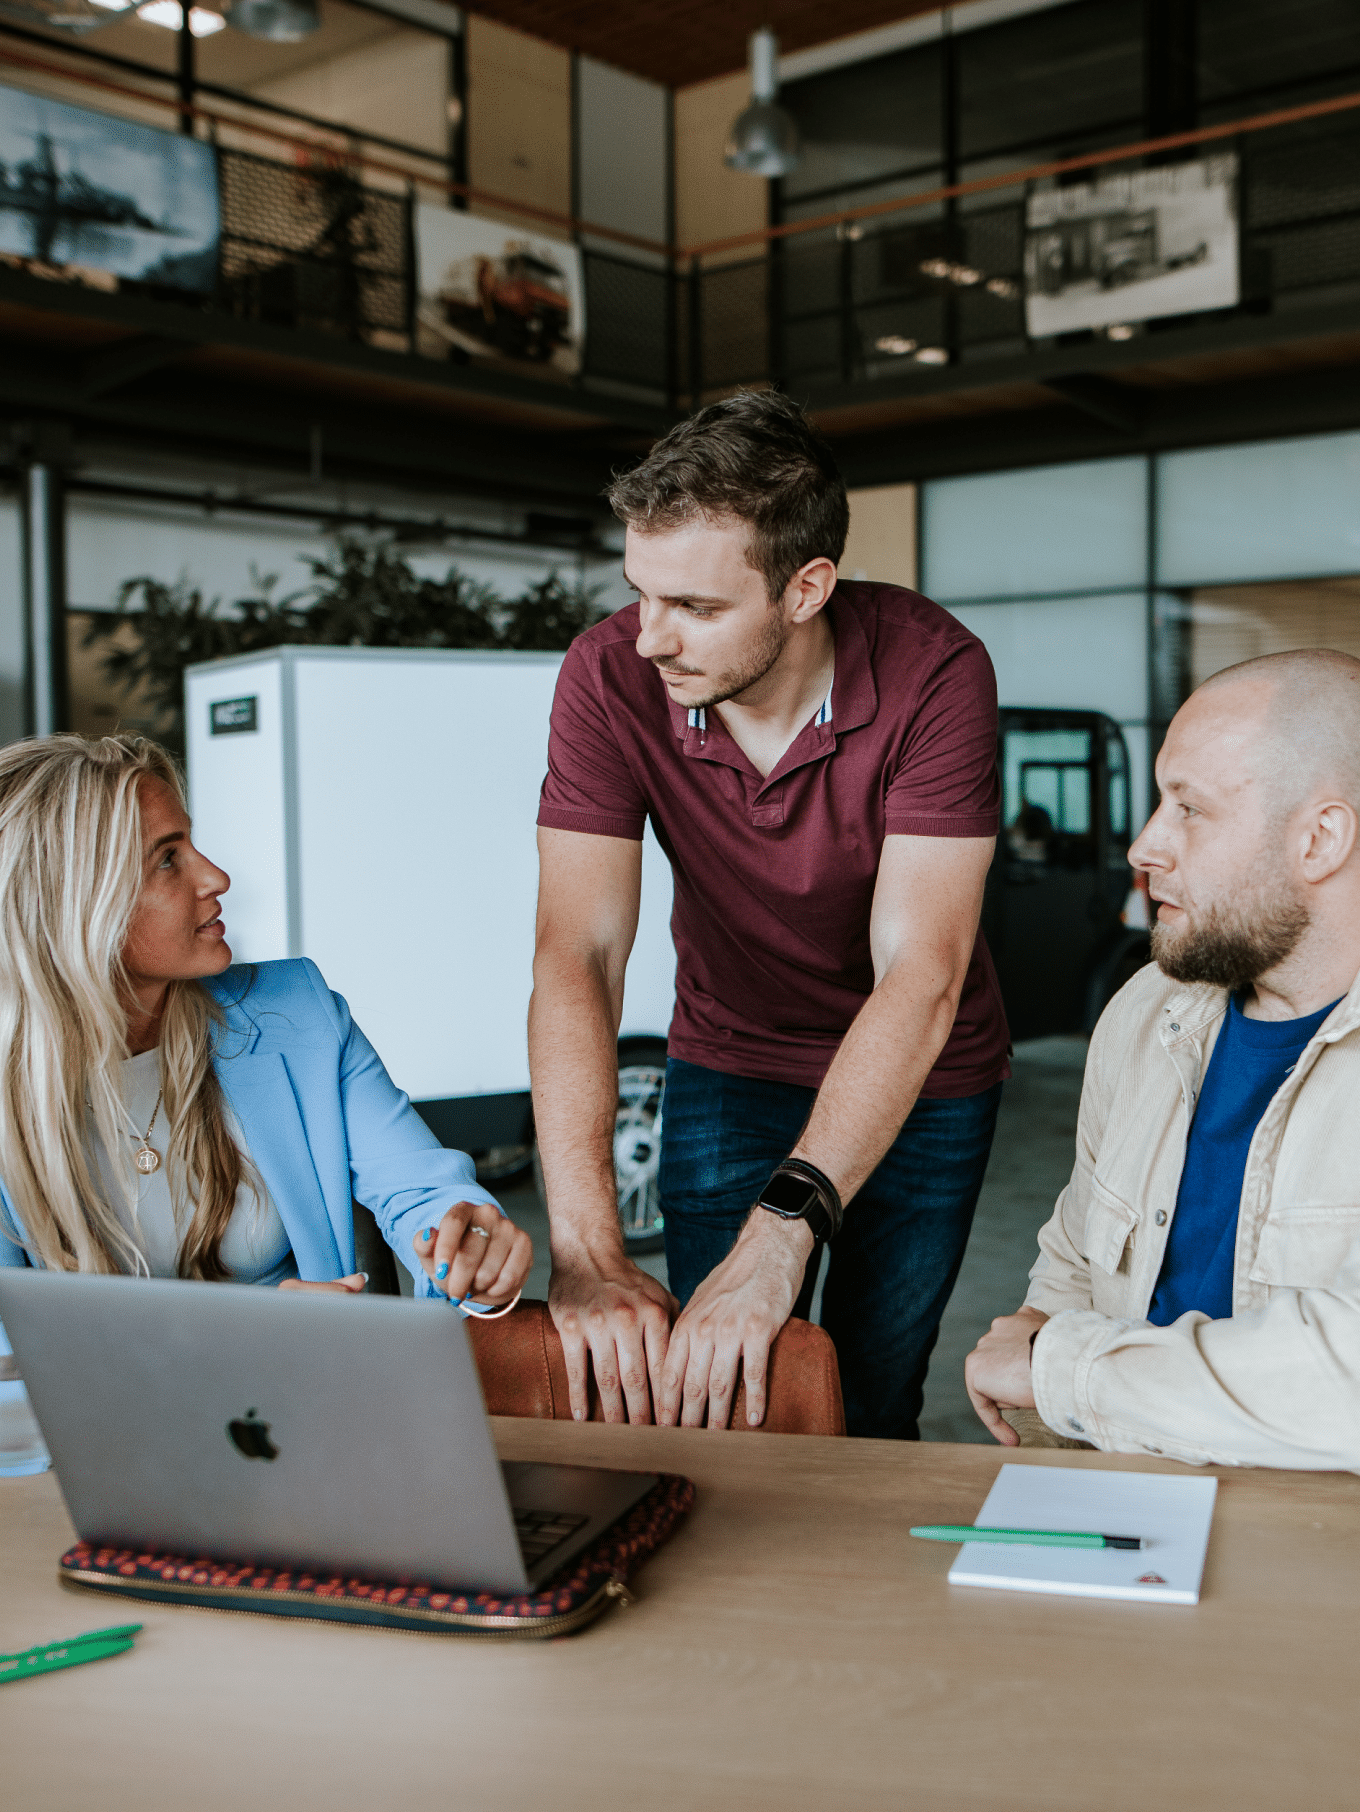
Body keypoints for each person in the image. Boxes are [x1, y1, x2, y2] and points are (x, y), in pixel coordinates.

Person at [531, 390, 1010, 1437]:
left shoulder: (935, 672)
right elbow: (580, 953)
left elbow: (920, 969)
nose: (651, 638)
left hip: (923, 1079)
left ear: (806, 588)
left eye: (696, 608)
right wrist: (585, 1248)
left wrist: (782, 1227)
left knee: (868, 1396)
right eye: (639, 593)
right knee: (725, 1403)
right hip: (733, 1060)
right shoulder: (609, 673)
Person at [965, 649, 1360, 1470]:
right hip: (1125, 1488)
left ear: (1320, 839)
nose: (1147, 845)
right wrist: (1046, 1386)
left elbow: (1343, 1380)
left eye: (1190, 809)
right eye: (1157, 801)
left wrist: (1065, 1373)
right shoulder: (1145, 1014)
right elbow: (1074, 1259)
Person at [0, 735, 532, 1311]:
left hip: (304, 1395)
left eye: (191, 845)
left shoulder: (297, 1012)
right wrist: (245, 1338)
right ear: (69, 903)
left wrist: (469, 1248)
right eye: (167, 859)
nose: (216, 878)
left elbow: (423, 1190)